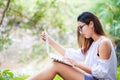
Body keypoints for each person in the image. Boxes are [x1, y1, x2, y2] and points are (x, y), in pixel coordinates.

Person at [28, 12, 117, 80]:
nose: (80, 32)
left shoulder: (104, 42)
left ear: (91, 24)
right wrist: (49, 41)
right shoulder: (93, 43)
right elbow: (70, 54)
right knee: (56, 63)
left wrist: (76, 64)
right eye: (79, 29)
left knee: (57, 65)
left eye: (81, 27)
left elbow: (102, 73)